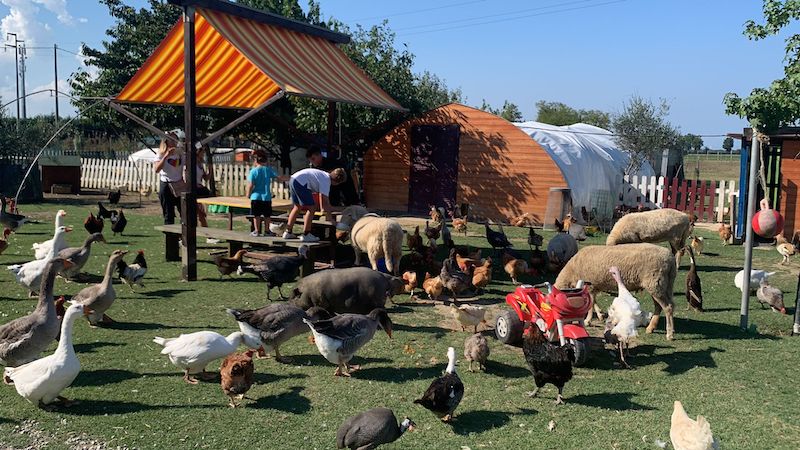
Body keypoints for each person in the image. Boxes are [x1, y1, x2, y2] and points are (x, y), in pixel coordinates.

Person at [283, 167, 346, 242]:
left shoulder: (323, 175)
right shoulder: (326, 181)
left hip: (293, 179)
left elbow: (321, 197)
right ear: (337, 182)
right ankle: (306, 234)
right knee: (312, 208)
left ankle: (288, 232)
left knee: (297, 207)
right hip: (301, 182)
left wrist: (323, 209)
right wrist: (330, 218)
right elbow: (325, 200)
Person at [246, 150, 287, 237]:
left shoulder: (253, 171)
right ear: (265, 161)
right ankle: (267, 231)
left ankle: (256, 231)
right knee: (267, 215)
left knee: (256, 215)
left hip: (256, 196)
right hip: (266, 197)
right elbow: (278, 177)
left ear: (256, 161)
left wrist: (248, 194)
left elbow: (251, 185)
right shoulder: (268, 170)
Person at [153, 131, 184, 225]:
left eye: (176, 139)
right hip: (166, 185)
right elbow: (156, 169)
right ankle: (170, 238)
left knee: (184, 212)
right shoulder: (160, 154)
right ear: (166, 141)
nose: (174, 142)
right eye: (172, 139)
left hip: (179, 184)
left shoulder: (180, 153)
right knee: (169, 214)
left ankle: (182, 236)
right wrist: (166, 156)